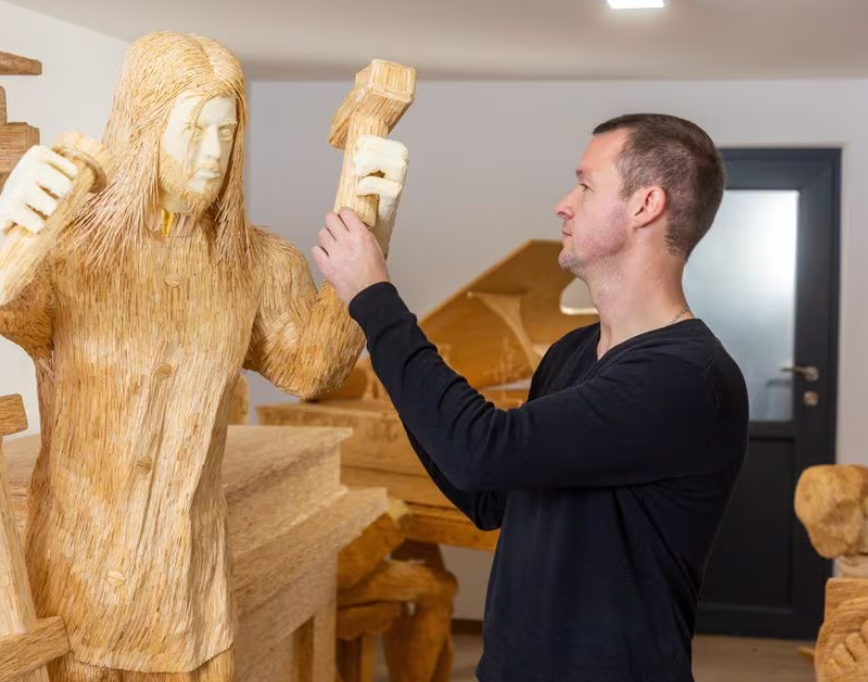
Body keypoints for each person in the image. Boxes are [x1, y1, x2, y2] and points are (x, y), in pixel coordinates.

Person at [0, 31, 408, 682]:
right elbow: (0, 302)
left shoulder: (258, 263)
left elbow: (313, 367)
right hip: (78, 587)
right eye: (192, 130)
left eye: (225, 132)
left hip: (190, 599)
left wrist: (373, 226)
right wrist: (8, 234)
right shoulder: (72, 253)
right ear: (142, 128)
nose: (212, 153)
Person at [313, 113, 749, 681]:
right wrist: (402, 381)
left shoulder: (688, 378)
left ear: (646, 205)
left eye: (586, 185)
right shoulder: (573, 353)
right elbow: (488, 494)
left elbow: (482, 449)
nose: (563, 204)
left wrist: (374, 299)